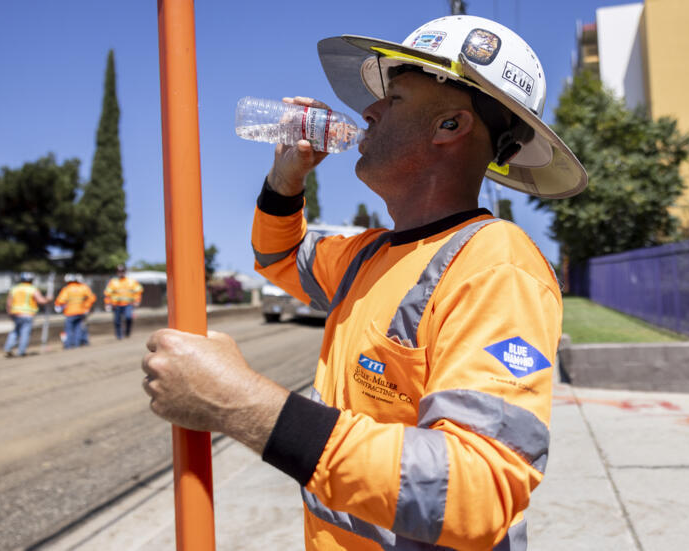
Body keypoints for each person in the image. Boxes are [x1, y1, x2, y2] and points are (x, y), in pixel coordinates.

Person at [142, 15, 586, 550]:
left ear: (451, 126)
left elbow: (479, 490)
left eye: (394, 98)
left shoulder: (497, 265)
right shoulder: (369, 255)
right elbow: (277, 254)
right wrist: (286, 178)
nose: (367, 111)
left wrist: (241, 403)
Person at [3, 272, 48, 358]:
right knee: (25, 333)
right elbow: (41, 301)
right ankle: (21, 351)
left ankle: (8, 347)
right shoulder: (32, 289)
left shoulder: (15, 288)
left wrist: (9, 313)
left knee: (15, 331)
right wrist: (48, 299)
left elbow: (9, 303)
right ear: (31, 280)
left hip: (16, 313)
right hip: (27, 314)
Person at [54, 273, 96, 349]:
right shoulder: (83, 288)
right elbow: (92, 298)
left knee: (69, 330)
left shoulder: (66, 289)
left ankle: (68, 345)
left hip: (70, 313)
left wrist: (58, 306)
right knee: (78, 328)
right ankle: (77, 344)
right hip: (81, 312)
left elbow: (60, 301)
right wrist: (86, 307)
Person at [103, 264, 144, 339]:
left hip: (128, 304)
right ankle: (119, 335)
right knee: (117, 321)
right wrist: (107, 303)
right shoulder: (113, 282)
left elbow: (138, 291)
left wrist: (137, 301)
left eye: (122, 271)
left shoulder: (131, 281)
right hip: (116, 305)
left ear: (125, 272)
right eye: (119, 271)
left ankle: (127, 332)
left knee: (128, 317)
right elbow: (107, 294)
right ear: (116, 272)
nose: (120, 273)